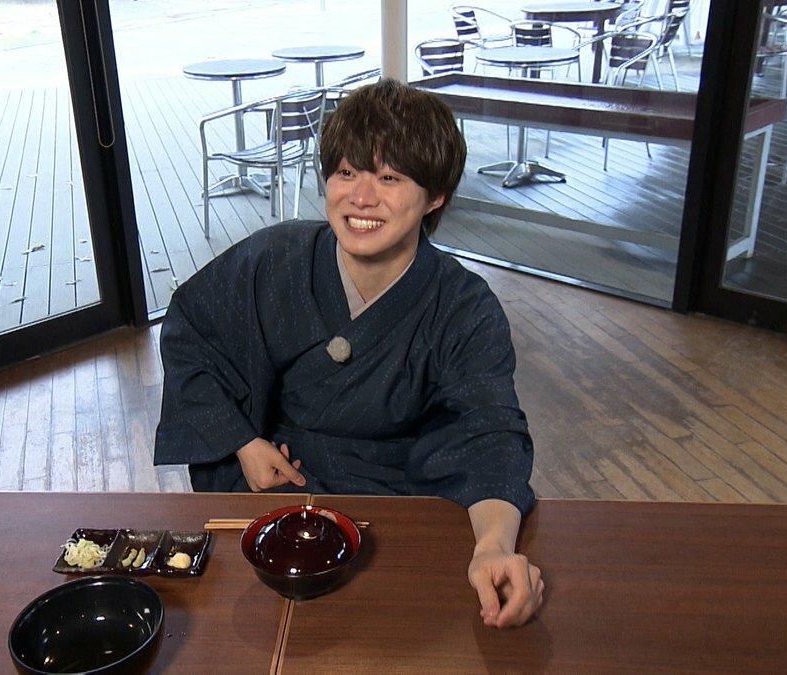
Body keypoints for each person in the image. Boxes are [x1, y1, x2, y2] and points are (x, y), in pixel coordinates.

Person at [154, 78, 543, 627]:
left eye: (389, 177)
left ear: (435, 196)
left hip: (394, 504)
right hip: (273, 496)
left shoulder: (463, 306)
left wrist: (494, 548)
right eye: (345, 172)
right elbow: (192, 330)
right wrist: (241, 442)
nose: (361, 197)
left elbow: (489, 433)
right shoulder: (276, 257)